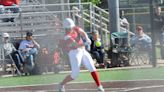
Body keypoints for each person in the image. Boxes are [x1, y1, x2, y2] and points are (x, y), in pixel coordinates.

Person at [58, 18, 105, 92]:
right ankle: (61, 84)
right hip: (74, 53)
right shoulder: (66, 37)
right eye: (68, 28)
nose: (70, 29)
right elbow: (76, 45)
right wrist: (86, 43)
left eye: (70, 27)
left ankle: (99, 86)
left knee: (92, 67)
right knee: (75, 74)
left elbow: (82, 32)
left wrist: (87, 38)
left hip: (83, 51)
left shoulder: (75, 28)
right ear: (65, 28)